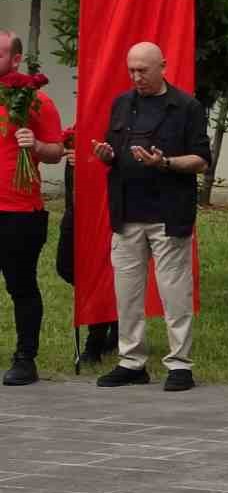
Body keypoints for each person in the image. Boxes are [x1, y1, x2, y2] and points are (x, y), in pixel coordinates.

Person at [91, 42, 211, 391]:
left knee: (174, 293)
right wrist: (107, 155)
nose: (136, 77)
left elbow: (201, 160)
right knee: (127, 293)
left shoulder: (186, 107)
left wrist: (165, 162)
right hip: (127, 213)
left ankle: (180, 364)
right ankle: (131, 361)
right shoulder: (122, 104)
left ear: (163, 66)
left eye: (143, 70)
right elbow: (116, 152)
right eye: (131, 70)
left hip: (168, 214)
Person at [0, 31, 65, 386]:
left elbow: (56, 151)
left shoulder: (37, 103)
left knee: (20, 285)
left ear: (15, 60)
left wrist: (35, 144)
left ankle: (26, 358)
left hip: (19, 212)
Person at [55, 126, 120, 370]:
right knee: (66, 266)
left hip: (103, 209)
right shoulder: (82, 121)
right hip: (76, 209)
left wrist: (88, 159)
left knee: (96, 274)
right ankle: (115, 316)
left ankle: (95, 343)